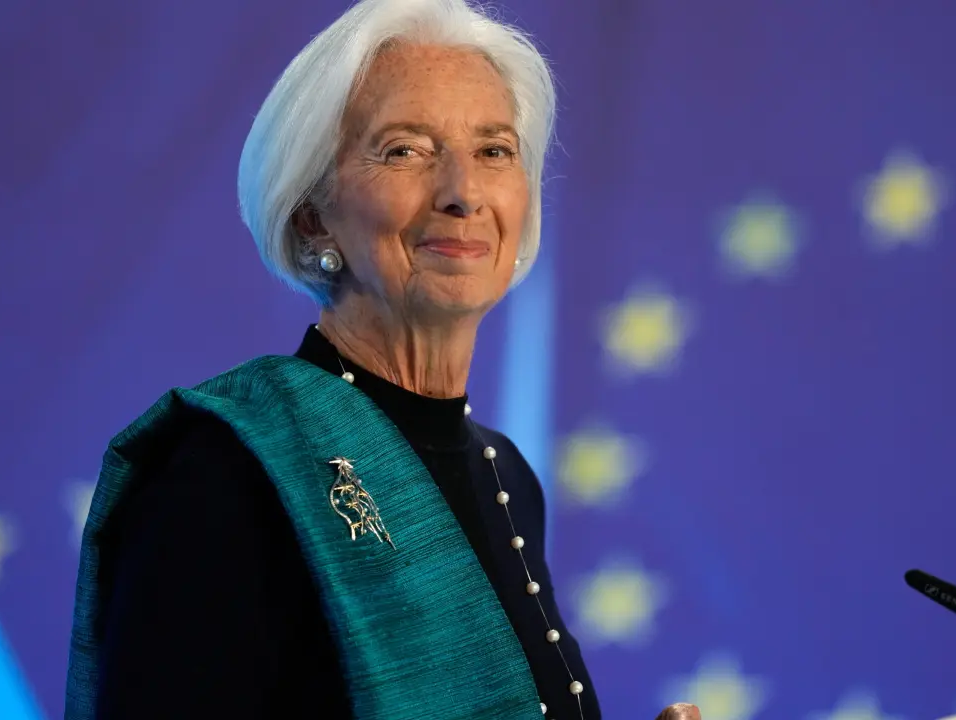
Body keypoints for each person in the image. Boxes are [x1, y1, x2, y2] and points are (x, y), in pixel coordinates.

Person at [63, 1, 700, 718]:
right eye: (404, 150)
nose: (463, 193)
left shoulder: (508, 478)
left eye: (494, 150)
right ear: (313, 215)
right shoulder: (228, 469)